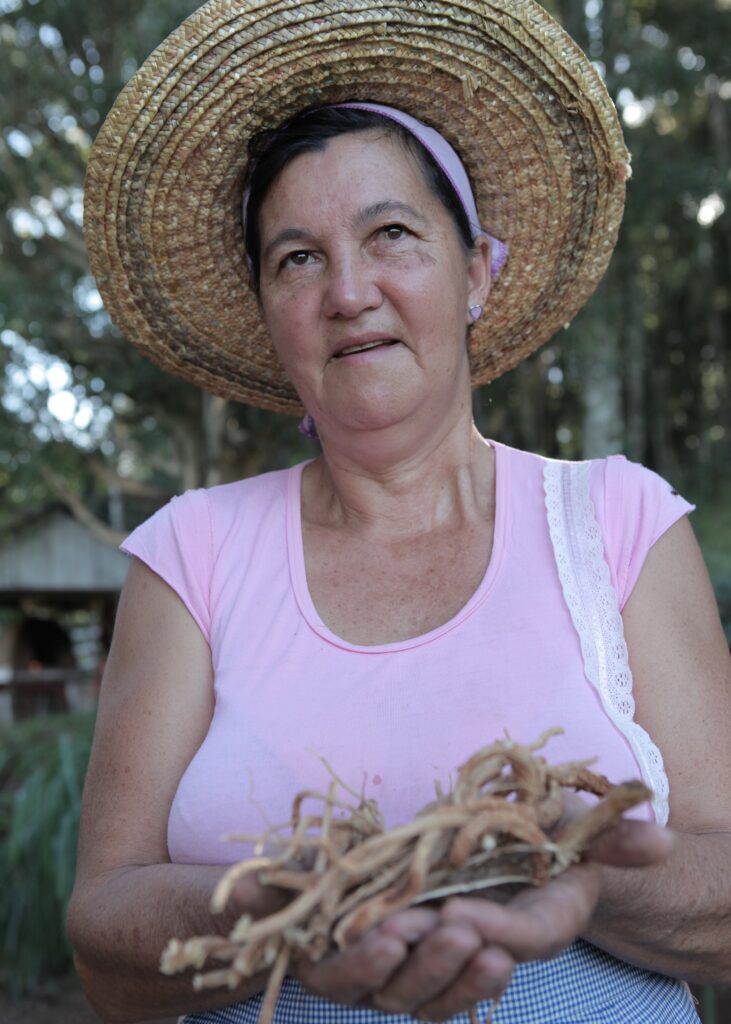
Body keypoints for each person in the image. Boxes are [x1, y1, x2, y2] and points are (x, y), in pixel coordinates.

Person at [67, 0, 731, 1021]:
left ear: (474, 270)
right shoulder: (191, 552)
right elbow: (104, 939)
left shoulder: (615, 522)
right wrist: (293, 912)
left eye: (391, 234)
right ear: (265, 309)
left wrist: (573, 875)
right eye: (297, 258)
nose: (347, 291)